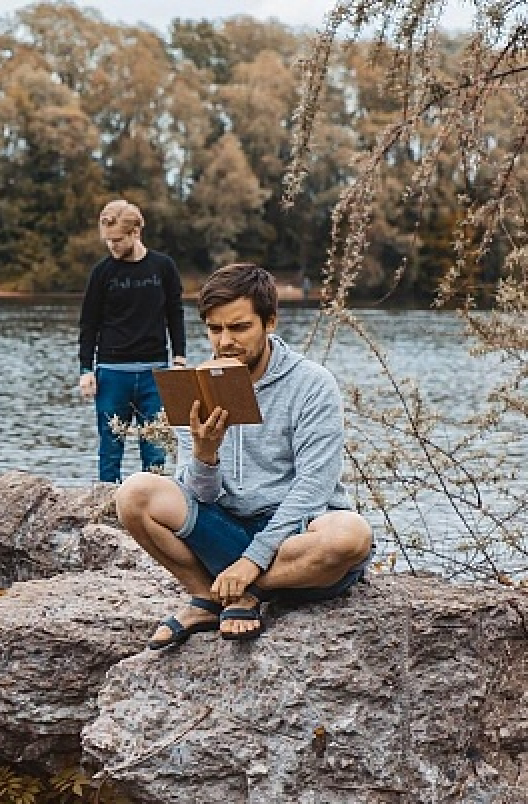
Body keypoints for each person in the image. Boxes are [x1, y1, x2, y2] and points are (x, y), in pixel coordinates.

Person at [115, 264, 374, 647]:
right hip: (226, 528)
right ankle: (207, 596)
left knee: (351, 537)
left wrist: (251, 562)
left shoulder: (312, 384)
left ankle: (243, 591)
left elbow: (313, 489)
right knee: (134, 493)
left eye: (239, 328)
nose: (225, 341)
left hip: (294, 536)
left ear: (269, 322)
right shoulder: (197, 385)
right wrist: (205, 455)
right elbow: (199, 498)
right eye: (215, 329)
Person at [78, 200, 187, 482]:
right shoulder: (102, 273)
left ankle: (155, 507)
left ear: (136, 232)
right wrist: (85, 370)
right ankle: (104, 507)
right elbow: (89, 323)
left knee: (156, 447)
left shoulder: (163, 267)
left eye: (117, 240)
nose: (111, 246)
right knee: (110, 447)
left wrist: (180, 358)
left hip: (156, 370)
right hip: (113, 371)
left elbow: (175, 314)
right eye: (107, 241)